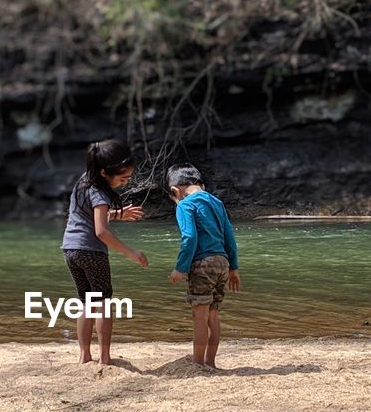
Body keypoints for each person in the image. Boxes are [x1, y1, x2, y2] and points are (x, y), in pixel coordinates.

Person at [62, 139, 148, 365]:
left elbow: (86, 218)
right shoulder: (100, 193)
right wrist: (131, 253)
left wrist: (117, 215)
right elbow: (101, 232)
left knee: (87, 302)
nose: (125, 182)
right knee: (102, 303)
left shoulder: (83, 181)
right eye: (122, 179)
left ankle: (84, 356)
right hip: (91, 251)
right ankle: (105, 358)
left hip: (70, 249)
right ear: (104, 172)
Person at [166, 164, 240, 368]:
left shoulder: (185, 205)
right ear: (202, 185)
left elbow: (189, 238)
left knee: (199, 316)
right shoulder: (217, 202)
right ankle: (211, 362)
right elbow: (229, 237)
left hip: (202, 263)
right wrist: (234, 268)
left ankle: (197, 363)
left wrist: (180, 268)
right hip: (222, 262)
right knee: (213, 315)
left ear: (175, 190)